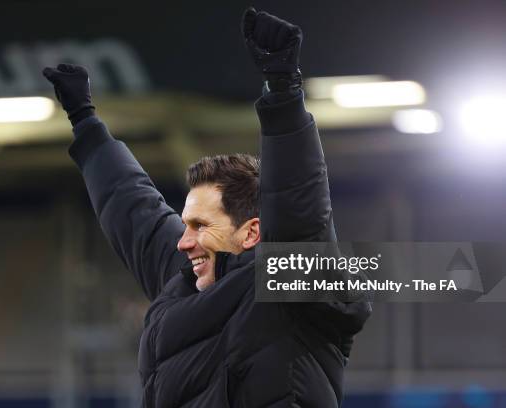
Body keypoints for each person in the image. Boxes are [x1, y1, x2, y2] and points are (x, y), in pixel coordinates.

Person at [43, 8, 370, 408]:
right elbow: (133, 209)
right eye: (185, 225)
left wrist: (283, 92)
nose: (184, 242)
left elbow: (300, 211)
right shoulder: (181, 281)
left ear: (251, 232)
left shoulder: (291, 292)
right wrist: (85, 123)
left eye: (200, 225)